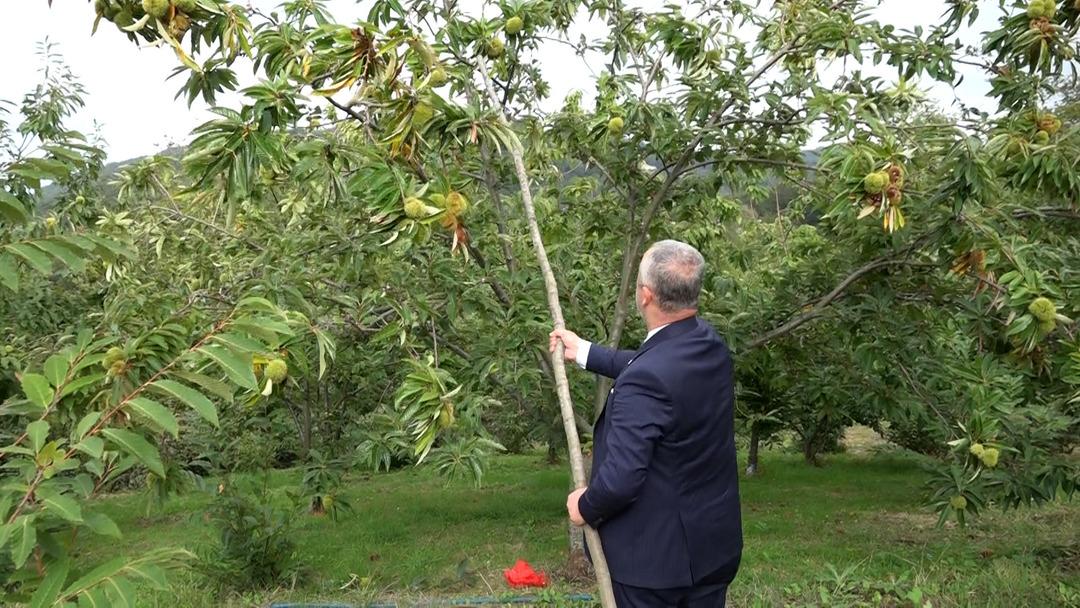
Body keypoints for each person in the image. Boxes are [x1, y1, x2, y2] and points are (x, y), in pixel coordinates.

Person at [549, 240, 742, 608]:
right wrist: (585, 351)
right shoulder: (711, 346)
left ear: (645, 296)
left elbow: (620, 481)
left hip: (653, 568)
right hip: (712, 550)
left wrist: (585, 506)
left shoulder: (647, 380)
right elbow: (654, 365)